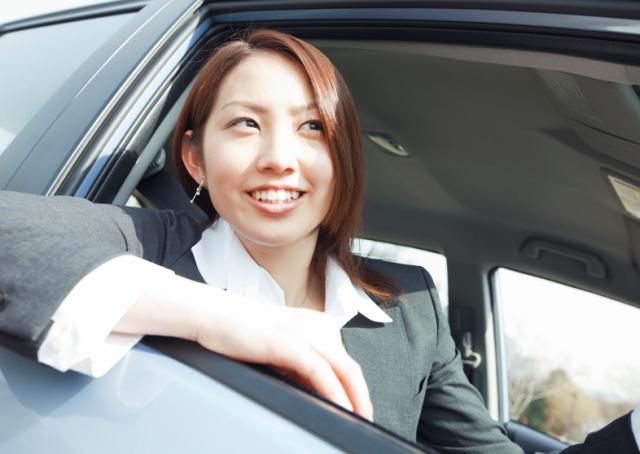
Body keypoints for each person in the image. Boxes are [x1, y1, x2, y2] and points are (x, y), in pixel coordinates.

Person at [0, 30, 638, 453]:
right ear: (195, 158)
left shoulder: (410, 307)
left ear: (342, 159)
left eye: (312, 128)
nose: (280, 157)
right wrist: (219, 318)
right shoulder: (143, 245)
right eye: (245, 123)